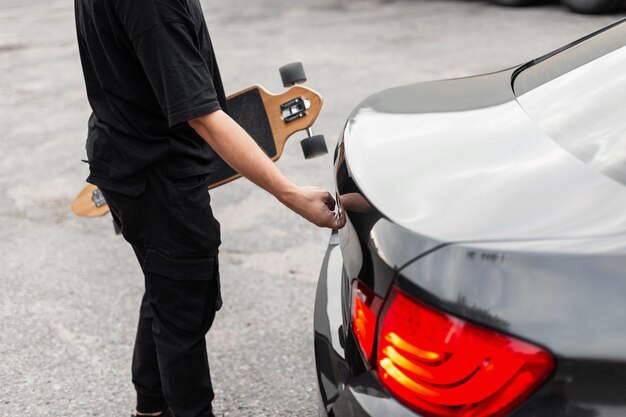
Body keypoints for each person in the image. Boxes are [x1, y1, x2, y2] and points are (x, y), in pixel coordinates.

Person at [74, 0, 345, 416]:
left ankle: (150, 406)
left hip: (127, 153)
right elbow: (202, 115)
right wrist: (291, 194)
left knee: (166, 288)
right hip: (157, 173)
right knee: (185, 308)